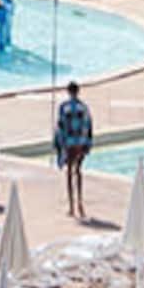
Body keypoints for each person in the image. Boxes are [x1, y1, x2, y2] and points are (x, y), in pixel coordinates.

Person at [53, 80, 93, 219]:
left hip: (69, 144)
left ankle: (71, 206)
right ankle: (80, 203)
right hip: (80, 143)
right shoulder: (84, 107)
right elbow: (88, 125)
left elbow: (60, 127)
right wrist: (87, 143)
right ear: (78, 91)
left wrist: (59, 145)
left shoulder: (64, 107)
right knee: (79, 171)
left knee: (69, 173)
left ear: (68, 92)